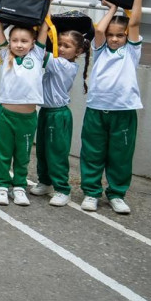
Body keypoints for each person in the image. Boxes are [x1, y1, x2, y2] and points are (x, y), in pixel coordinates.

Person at [80, 0, 145, 215]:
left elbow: (135, 22)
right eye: (111, 35)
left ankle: (117, 193)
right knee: (93, 152)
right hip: (97, 108)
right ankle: (91, 192)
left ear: (127, 36)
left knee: (120, 156)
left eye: (120, 35)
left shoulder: (131, 51)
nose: (115, 38)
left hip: (124, 110)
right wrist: (112, 9)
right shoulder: (100, 49)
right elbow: (98, 29)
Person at [0, 10, 51, 207]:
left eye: (24, 41)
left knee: (23, 155)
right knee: (4, 153)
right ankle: (0, 186)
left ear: (33, 43)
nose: (18, 44)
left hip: (27, 118)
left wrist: (47, 4)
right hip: (5, 115)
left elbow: (44, 27)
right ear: (9, 42)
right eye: (14, 40)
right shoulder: (5, 52)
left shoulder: (37, 55)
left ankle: (19, 186)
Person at [30, 30, 90, 207]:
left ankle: (63, 189)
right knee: (42, 150)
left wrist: (40, 29)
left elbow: (39, 52)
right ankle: (45, 182)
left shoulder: (64, 65)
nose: (61, 48)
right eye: (59, 44)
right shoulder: (58, 62)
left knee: (56, 153)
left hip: (58, 114)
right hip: (46, 112)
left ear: (78, 52)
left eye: (67, 46)